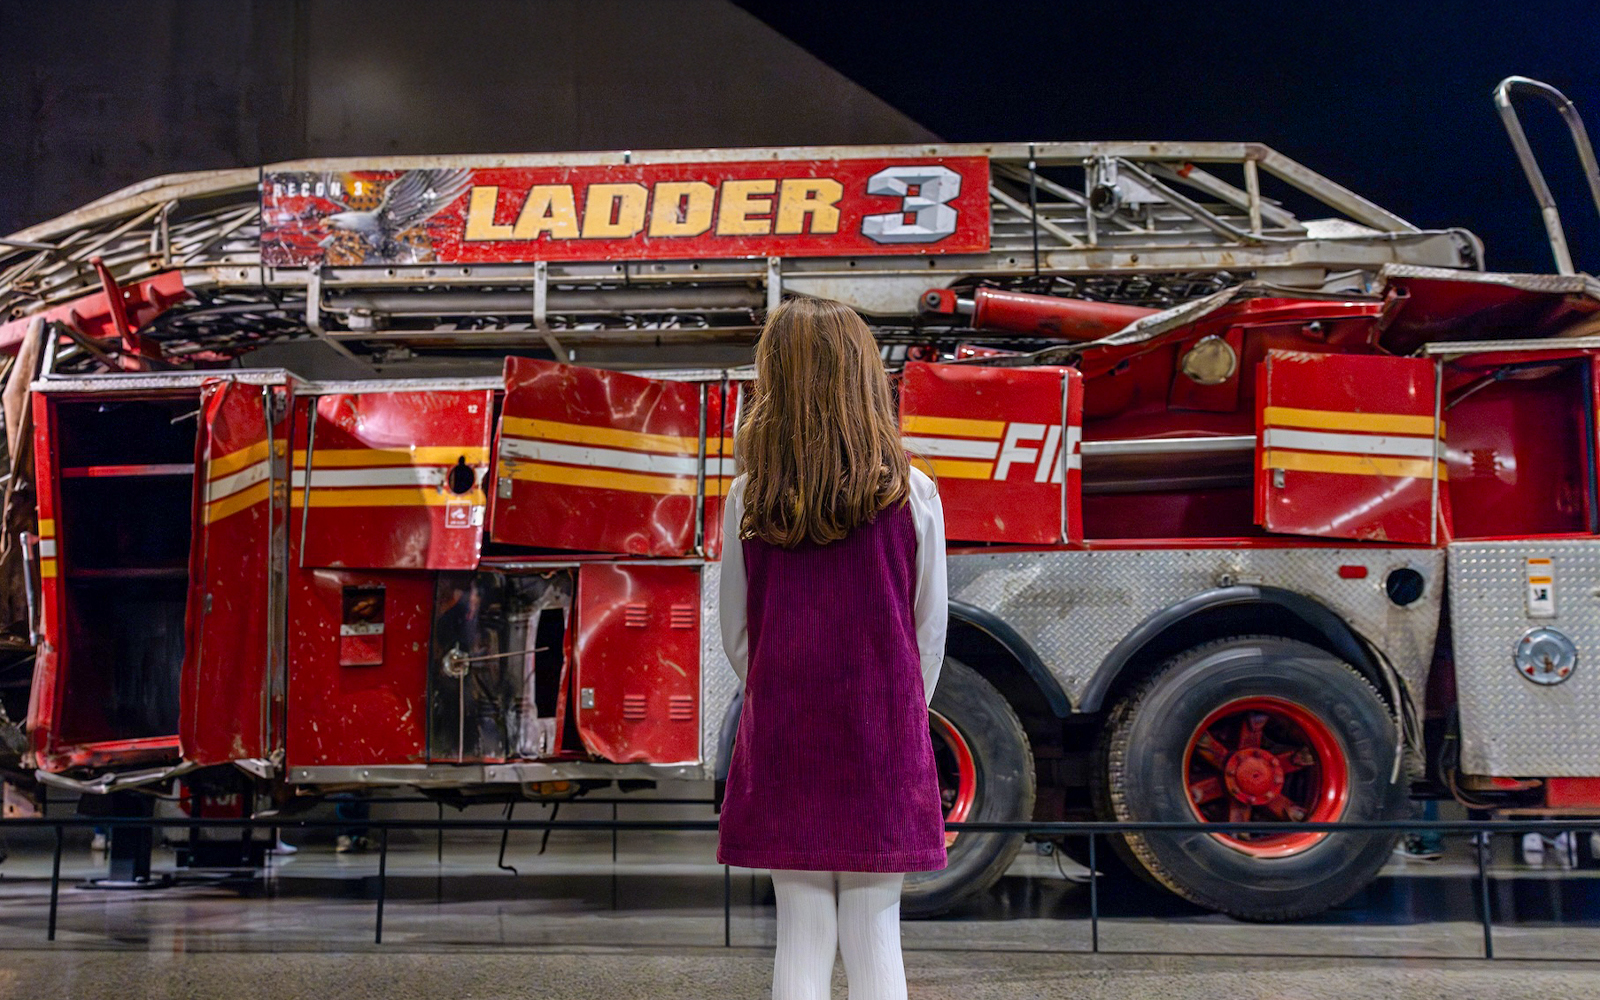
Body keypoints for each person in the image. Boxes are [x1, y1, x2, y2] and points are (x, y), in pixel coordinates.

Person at [716, 296, 949, 1000]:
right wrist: (898, 712)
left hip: (788, 734)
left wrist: (783, 688)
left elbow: (737, 634)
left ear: (775, 382)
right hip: (880, 735)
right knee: (878, 933)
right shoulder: (913, 494)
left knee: (801, 933)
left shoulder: (748, 499)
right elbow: (927, 629)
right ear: (863, 378)